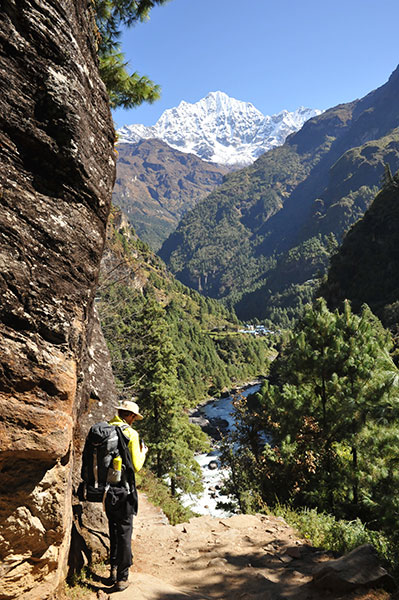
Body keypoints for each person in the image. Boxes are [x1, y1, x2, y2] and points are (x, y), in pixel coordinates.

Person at [106, 398, 148, 592]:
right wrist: (143, 452)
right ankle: (122, 578)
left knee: (113, 529)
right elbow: (136, 466)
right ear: (130, 416)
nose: (134, 420)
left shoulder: (105, 430)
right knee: (124, 532)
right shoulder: (131, 434)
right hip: (124, 491)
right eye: (134, 417)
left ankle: (112, 570)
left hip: (105, 490)